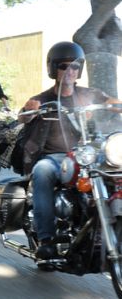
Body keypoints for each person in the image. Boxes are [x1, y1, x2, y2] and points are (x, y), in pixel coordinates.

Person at [19, 41, 121, 259]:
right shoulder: (42, 99)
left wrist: (116, 105)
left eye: (75, 66)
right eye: (64, 66)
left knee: (116, 166)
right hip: (54, 158)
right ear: (53, 69)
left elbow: (110, 102)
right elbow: (23, 117)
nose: (70, 71)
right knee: (42, 172)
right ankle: (46, 239)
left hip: (86, 154)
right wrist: (29, 111)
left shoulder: (89, 94)